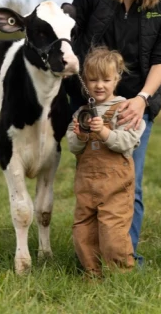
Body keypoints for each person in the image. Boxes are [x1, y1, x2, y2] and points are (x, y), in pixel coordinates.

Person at [69, 0, 161, 262]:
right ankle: (91, 257)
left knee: (130, 183)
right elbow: (72, 38)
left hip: (135, 103)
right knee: (92, 183)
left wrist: (142, 98)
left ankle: (124, 258)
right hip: (92, 101)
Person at [67, 47, 146, 276]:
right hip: (86, 185)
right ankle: (93, 273)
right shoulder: (81, 113)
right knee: (83, 231)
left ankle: (120, 275)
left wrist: (103, 132)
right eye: (92, 80)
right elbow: (73, 146)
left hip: (115, 185)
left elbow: (127, 142)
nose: (99, 85)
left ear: (116, 80)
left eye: (105, 79)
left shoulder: (125, 109)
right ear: (85, 82)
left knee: (113, 231)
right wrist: (81, 137)